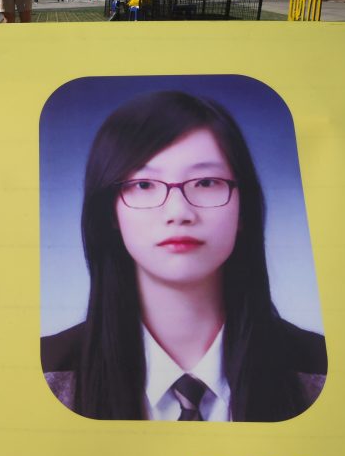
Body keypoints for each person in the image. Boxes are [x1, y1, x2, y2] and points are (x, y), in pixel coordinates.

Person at [41, 91, 326, 422]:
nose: (179, 212)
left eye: (206, 182)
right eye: (144, 185)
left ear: (243, 208)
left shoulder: (320, 371)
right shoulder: (47, 373)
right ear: (109, 213)